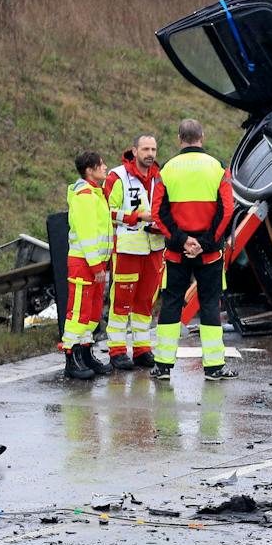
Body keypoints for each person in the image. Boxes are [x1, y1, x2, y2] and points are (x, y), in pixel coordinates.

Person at [153, 118, 237, 381]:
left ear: (180, 139)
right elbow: (227, 210)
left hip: (177, 253)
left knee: (172, 304)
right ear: (203, 136)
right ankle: (213, 367)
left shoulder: (166, 170)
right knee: (210, 304)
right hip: (209, 254)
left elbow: (158, 212)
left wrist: (182, 240)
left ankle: (163, 366)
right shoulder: (217, 168)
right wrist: (205, 243)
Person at [102, 134, 164, 371]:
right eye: (146, 149)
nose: (150, 154)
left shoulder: (160, 177)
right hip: (128, 247)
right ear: (135, 151)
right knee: (121, 301)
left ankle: (142, 348)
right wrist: (137, 217)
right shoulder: (118, 177)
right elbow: (108, 212)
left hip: (154, 246)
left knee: (146, 301)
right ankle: (117, 350)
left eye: (154, 149)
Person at [62, 150, 113, 381]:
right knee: (78, 313)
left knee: (92, 313)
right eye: (100, 165)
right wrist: (96, 266)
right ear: (89, 170)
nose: (105, 168)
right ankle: (71, 358)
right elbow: (87, 235)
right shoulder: (84, 196)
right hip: (84, 263)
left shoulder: (96, 193)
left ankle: (85, 352)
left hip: (94, 263)